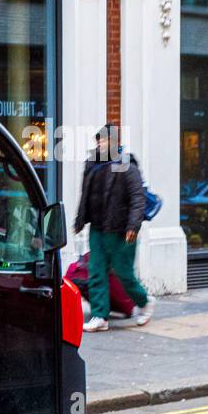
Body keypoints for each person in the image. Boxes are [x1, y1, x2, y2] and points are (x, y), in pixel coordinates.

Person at [73, 123, 155, 332]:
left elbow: (138, 198)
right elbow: (85, 197)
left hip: (121, 230)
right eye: (98, 140)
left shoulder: (125, 164)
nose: (100, 143)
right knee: (96, 271)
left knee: (123, 272)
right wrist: (79, 222)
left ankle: (144, 302)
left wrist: (133, 226)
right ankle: (100, 316)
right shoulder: (92, 164)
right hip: (98, 228)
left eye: (104, 140)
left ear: (115, 142)